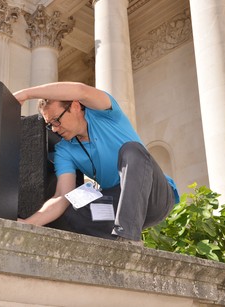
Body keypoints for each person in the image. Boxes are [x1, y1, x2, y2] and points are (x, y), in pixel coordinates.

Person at [13, 82, 179, 245]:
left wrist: (26, 94)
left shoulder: (105, 114)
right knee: (72, 209)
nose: (55, 129)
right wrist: (28, 224)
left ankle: (129, 239)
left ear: (75, 106)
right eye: (50, 125)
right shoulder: (64, 150)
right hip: (116, 203)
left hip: (154, 196)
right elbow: (61, 196)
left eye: (56, 120)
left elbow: (81, 90)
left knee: (132, 150)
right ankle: (113, 245)